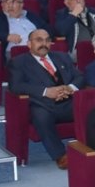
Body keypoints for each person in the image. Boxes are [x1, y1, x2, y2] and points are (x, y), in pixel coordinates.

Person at [7, 29, 83, 168]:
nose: (44, 44)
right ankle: (60, 155)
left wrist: (70, 88)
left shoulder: (62, 57)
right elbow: (15, 86)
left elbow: (80, 77)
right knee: (41, 116)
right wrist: (46, 92)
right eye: (39, 40)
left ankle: (89, 149)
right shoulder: (19, 62)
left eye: (47, 40)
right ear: (29, 44)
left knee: (90, 108)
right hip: (42, 104)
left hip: (68, 101)